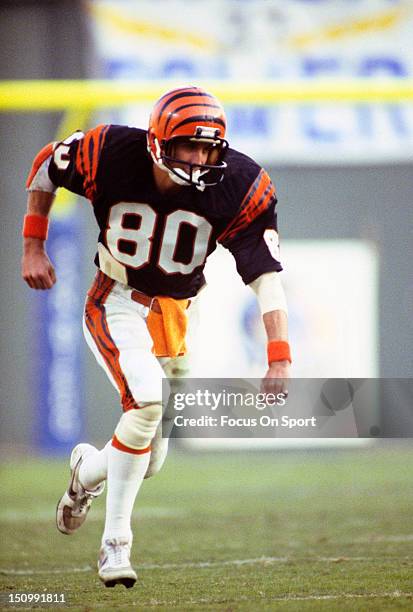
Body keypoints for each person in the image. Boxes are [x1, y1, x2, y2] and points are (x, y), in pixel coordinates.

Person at [21, 86, 291, 588]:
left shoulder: (238, 184)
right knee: (144, 405)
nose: (200, 158)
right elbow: (45, 166)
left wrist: (279, 354)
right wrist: (33, 244)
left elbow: (266, 277)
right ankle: (115, 543)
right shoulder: (112, 153)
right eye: (189, 145)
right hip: (115, 298)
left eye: (209, 147)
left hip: (171, 316)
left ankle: (86, 472)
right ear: (159, 140)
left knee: (148, 462)